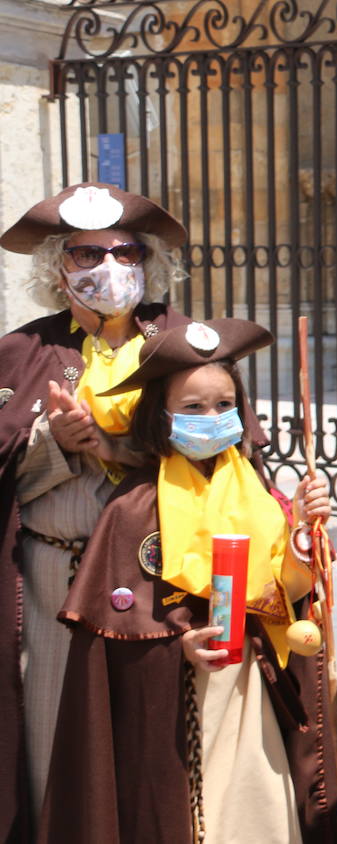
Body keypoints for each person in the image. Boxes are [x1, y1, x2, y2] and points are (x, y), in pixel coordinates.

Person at [39, 318, 337, 842]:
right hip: (180, 707)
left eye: (224, 405)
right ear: (162, 416)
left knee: (259, 810)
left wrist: (304, 541)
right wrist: (177, 644)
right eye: (192, 408)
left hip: (254, 691)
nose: (211, 418)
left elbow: (284, 593)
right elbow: (110, 648)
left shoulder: (259, 495)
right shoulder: (133, 507)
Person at [0, 182, 191, 839]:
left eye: (125, 250)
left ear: (147, 261)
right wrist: (54, 444)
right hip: (54, 577)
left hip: (160, 577)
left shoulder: (182, 344)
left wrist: (113, 442)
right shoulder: (21, 352)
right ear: (58, 266)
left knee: (153, 728)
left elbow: (222, 454)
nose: (107, 267)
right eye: (86, 254)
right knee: (56, 727)